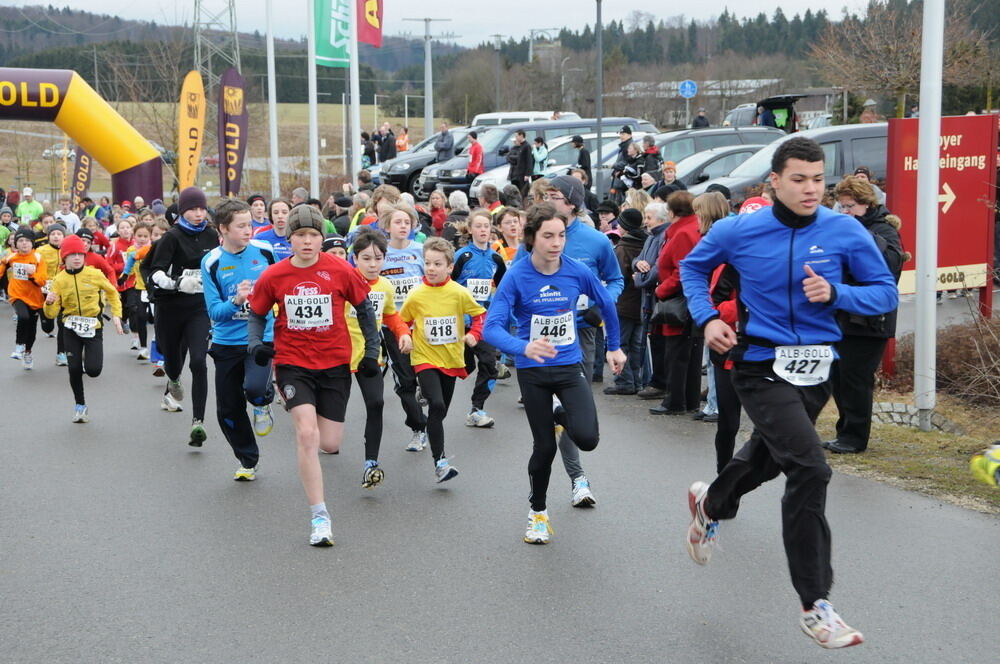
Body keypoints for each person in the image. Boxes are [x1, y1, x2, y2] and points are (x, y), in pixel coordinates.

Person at [680, 136, 898, 649]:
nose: (811, 189)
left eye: (818, 179)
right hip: (758, 364)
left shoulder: (844, 230)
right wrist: (708, 317)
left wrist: (838, 292)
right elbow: (692, 267)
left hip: (817, 369)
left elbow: (885, 291)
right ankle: (815, 604)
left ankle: (710, 503)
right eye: (799, 179)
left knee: (769, 457)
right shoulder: (741, 228)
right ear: (774, 182)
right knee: (809, 466)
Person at [484, 202, 625, 544]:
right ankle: (538, 513)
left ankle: (561, 414)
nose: (556, 243)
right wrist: (523, 348)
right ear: (532, 238)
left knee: (588, 439)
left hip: (568, 366)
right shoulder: (517, 276)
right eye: (548, 236)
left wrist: (614, 346)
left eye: (561, 235)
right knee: (544, 447)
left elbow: (606, 301)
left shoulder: (576, 271)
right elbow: (492, 328)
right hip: (533, 372)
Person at [247, 205, 381, 546]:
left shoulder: (340, 269)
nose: (307, 241)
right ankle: (319, 515)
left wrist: (370, 351)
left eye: (313, 235)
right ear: (289, 238)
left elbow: (365, 309)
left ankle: (315, 439)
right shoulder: (274, 276)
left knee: (329, 442)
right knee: (307, 434)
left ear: (322, 238)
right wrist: (256, 346)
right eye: (300, 235)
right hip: (293, 362)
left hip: (335, 363)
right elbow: (257, 314)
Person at [515, 175, 624, 506]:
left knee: (576, 416)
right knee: (548, 429)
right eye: (544, 194)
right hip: (538, 342)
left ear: (573, 202)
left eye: (554, 195)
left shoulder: (596, 241)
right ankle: (577, 478)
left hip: (582, 333)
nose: (546, 199)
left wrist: (598, 309)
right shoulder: (532, 242)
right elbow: (518, 283)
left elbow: (616, 281)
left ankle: (576, 475)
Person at [823, 176, 904, 454]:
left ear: (866, 204)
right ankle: (845, 431)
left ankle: (855, 437)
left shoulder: (884, 229)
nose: (845, 212)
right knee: (839, 377)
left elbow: (891, 268)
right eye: (842, 207)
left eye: (849, 207)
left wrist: (863, 239)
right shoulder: (847, 229)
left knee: (856, 379)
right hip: (845, 317)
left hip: (871, 321)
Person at [399, 237, 487, 483]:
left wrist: (473, 335)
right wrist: (405, 336)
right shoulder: (416, 295)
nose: (431, 268)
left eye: (437, 264)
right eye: (427, 263)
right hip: (424, 357)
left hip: (451, 359)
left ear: (450, 267)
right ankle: (441, 463)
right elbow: (401, 321)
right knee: (436, 405)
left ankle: (426, 399)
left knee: (441, 411)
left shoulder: (459, 293)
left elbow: (480, 315)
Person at [202, 199, 278, 482]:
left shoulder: (266, 252)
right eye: (242, 226)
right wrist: (237, 300)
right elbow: (214, 313)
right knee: (228, 410)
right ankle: (247, 459)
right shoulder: (211, 262)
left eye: (250, 224)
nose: (249, 230)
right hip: (226, 342)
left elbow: (281, 287)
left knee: (255, 388)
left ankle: (263, 402)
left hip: (260, 336)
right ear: (223, 229)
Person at [147, 186, 218, 446]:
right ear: (182, 211)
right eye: (192, 209)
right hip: (170, 307)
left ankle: (197, 422)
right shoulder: (172, 237)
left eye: (202, 209)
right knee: (173, 361)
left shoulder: (212, 235)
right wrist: (177, 283)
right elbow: (155, 272)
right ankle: (173, 379)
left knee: (199, 361)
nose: (198, 214)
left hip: (198, 308)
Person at [347, 227, 412, 487]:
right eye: (366, 258)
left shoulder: (385, 285)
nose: (373, 264)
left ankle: (370, 463)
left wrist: (403, 333)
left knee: (376, 404)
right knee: (329, 418)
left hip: (369, 355)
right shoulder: (344, 280)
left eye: (378, 258)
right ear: (354, 259)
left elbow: (390, 315)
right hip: (339, 355)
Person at [44, 234, 123, 422]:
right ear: (65, 258)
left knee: (94, 370)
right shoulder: (59, 280)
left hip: (93, 327)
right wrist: (48, 303)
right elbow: (51, 314)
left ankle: (88, 356)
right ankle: (80, 405)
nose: (77, 258)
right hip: (70, 328)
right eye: (73, 255)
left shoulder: (94, 274)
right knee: (73, 368)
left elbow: (113, 293)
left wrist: (117, 316)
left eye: (81, 254)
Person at [378, 204, 429, 452]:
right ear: (387, 226)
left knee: (429, 376)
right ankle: (418, 428)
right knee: (405, 380)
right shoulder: (380, 253)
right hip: (392, 326)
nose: (403, 226)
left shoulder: (421, 251)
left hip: (421, 324)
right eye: (398, 222)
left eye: (407, 222)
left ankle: (426, 394)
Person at [451, 209, 507, 427]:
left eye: (486, 226)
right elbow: (448, 284)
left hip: (484, 321)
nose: (483, 230)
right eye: (478, 226)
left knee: (488, 364)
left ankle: (477, 409)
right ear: (470, 229)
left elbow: (503, 288)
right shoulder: (462, 256)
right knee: (465, 367)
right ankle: (428, 387)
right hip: (461, 321)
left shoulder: (496, 258)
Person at [603, 208, 647, 395]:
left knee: (621, 343)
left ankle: (624, 381)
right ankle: (636, 381)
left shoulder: (623, 248)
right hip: (641, 302)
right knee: (636, 344)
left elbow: (617, 277)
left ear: (626, 227)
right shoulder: (646, 243)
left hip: (625, 302)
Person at [0, 227, 47, 368]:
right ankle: (19, 346)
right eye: (20, 240)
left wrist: (32, 274)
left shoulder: (38, 258)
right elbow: (2, 267)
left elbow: (42, 280)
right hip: (17, 294)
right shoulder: (11, 257)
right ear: (16, 243)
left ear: (32, 243)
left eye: (27, 240)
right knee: (23, 317)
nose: (24, 243)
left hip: (34, 297)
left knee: (32, 329)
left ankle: (27, 352)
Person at [122, 222, 154, 359]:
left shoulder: (154, 249)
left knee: (156, 319)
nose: (142, 239)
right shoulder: (130, 251)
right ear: (134, 236)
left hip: (154, 288)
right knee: (140, 317)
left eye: (145, 236)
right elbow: (128, 267)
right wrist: (122, 278)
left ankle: (159, 345)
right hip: (139, 288)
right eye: (139, 236)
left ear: (150, 236)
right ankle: (143, 347)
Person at [37, 224, 68, 365]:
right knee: (48, 324)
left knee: (63, 322)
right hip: (45, 290)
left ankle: (61, 354)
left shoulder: (68, 250)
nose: (56, 236)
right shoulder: (41, 251)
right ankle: (46, 322)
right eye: (53, 234)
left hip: (63, 290)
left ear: (63, 236)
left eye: (59, 234)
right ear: (48, 236)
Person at [507, 130, 532, 195]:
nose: (516, 138)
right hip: (517, 174)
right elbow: (509, 157)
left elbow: (529, 160)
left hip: (523, 174)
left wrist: (527, 174)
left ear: (521, 136)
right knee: (516, 192)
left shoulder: (527, 146)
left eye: (516, 136)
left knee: (523, 192)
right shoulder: (519, 146)